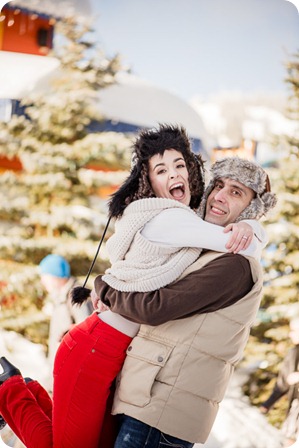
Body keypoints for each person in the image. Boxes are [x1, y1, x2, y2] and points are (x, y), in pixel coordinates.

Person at [0, 125, 271, 448]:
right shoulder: (170, 218)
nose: (173, 175)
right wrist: (253, 228)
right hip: (95, 349)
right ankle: (10, 390)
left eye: (179, 166)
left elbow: (217, 229)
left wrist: (251, 221)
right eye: (161, 170)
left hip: (109, 353)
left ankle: (21, 390)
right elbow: (237, 242)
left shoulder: (189, 224)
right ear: (149, 180)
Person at [92, 155, 277, 448]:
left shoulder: (234, 267)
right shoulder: (204, 246)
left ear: (251, 209)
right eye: (218, 185)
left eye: (236, 192)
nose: (219, 196)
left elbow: (156, 308)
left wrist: (105, 288)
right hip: (149, 399)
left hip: (162, 412)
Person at [39, 254, 92, 385]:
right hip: (59, 366)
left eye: (45, 277)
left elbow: (87, 329)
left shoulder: (76, 296)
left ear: (57, 276)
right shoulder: (60, 297)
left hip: (70, 368)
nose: (43, 281)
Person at [260, 317, 299, 447]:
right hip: (296, 410)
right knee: (290, 440)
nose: (290, 334)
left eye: (294, 330)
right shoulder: (294, 353)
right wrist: (268, 403)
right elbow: (283, 381)